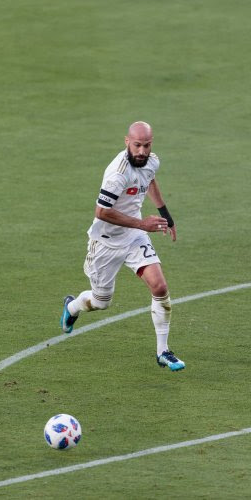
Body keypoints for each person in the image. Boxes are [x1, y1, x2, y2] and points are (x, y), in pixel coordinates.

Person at [60, 121, 184, 371]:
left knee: (160, 286)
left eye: (146, 146)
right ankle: (72, 306)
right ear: (127, 141)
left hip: (134, 237)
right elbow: (102, 212)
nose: (142, 151)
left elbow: (149, 180)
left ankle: (163, 352)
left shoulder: (151, 160)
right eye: (137, 145)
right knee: (101, 301)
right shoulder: (118, 174)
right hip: (105, 242)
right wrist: (142, 223)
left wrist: (165, 214)